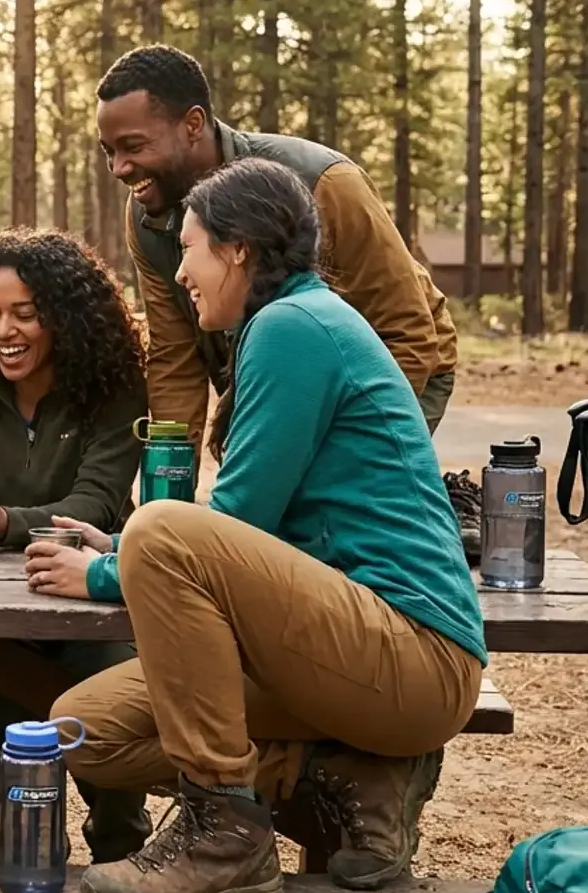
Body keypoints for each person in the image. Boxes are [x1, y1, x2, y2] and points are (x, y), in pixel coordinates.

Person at [32, 159, 486, 893]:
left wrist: (108, 571)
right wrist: (123, 549)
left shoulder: (294, 326)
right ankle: (347, 776)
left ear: (238, 249)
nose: (180, 271)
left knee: (162, 530)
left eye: (191, 248)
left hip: (413, 652)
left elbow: (227, 527)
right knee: (81, 733)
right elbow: (250, 532)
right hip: (338, 649)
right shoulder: (291, 324)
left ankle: (226, 838)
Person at [95, 44, 481, 560]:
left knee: (320, 525)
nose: (119, 168)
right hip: (270, 374)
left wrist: (365, 440)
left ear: (192, 124)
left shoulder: (325, 184)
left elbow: (409, 329)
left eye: (133, 146)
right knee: (268, 519)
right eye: (108, 151)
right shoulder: (149, 215)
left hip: (399, 361)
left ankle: (425, 512)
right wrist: (169, 505)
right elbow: (175, 360)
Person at [0, 228, 154, 864]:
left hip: (91, 603)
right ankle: (29, 840)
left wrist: (2, 525)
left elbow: (94, 507)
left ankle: (122, 844)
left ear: (64, 319)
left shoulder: (114, 387)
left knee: (111, 715)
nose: (3, 330)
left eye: (24, 313)